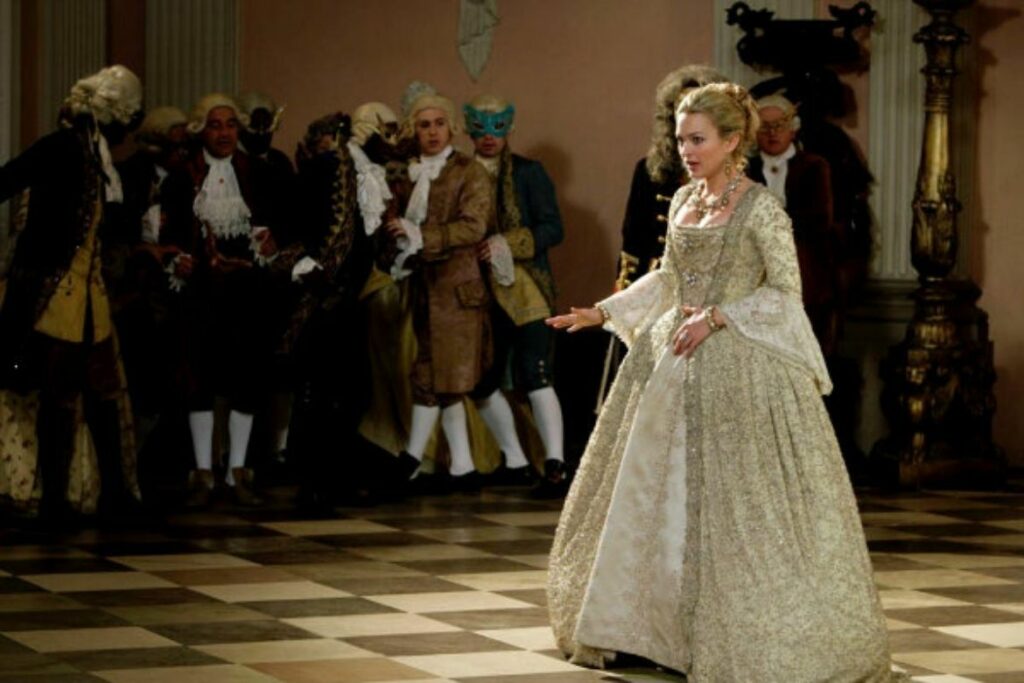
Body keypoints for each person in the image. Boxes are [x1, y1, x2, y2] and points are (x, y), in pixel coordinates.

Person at [546, 83, 907, 682]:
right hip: (671, 358)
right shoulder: (684, 200)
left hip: (738, 361)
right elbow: (669, 277)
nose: (686, 151)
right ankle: (649, 631)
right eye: (681, 139)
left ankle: (735, 633)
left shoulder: (761, 209)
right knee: (650, 493)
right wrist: (604, 312)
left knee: (737, 504)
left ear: (732, 141)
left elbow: (785, 291)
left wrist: (718, 317)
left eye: (698, 140)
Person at [0, 65, 144, 520]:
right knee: (59, 393)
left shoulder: (100, 157)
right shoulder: (61, 147)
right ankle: (56, 501)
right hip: (55, 291)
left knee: (103, 392)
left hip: (88, 292)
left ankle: (115, 494)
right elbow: (8, 179)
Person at [161, 93, 288, 507]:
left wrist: (270, 242)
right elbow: (169, 235)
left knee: (245, 378)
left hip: (247, 292)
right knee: (197, 378)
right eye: (215, 125)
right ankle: (202, 471)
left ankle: (237, 471)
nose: (224, 133)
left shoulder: (257, 173)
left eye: (231, 124)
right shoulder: (182, 177)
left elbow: (278, 225)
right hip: (200, 292)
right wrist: (176, 259)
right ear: (202, 130)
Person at [383, 93, 492, 491]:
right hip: (423, 285)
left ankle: (412, 458)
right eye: (424, 125)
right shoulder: (408, 172)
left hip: (457, 289)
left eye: (439, 123)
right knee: (436, 375)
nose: (432, 132)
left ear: (452, 127)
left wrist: (421, 235)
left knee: (440, 376)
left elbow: (473, 226)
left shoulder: (469, 171)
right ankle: (462, 467)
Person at [463, 94, 567, 495]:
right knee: (481, 379)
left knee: (535, 372)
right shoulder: (458, 174)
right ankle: (516, 460)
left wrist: (508, 243)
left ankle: (555, 464)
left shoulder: (528, 172)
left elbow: (553, 227)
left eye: (498, 128)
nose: (489, 137)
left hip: (526, 289)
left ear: (509, 128)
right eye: (480, 129)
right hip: (474, 291)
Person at [746, 94, 838, 354]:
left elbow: (818, 221)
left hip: (803, 266)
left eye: (779, 126)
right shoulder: (745, 169)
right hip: (754, 264)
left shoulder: (814, 166)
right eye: (765, 127)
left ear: (793, 129)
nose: (772, 133)